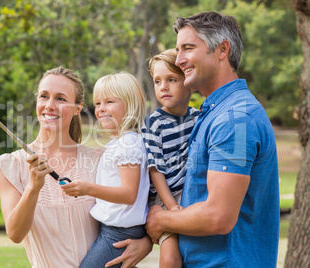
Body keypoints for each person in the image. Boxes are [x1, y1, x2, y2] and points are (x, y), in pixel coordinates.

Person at [145, 11, 280, 267]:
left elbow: (218, 216)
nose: (180, 59)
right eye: (178, 49)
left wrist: (160, 220)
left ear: (222, 50)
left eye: (188, 48)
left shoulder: (235, 119)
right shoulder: (213, 113)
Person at [0, 66, 152, 268]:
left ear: (77, 108)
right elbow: (14, 234)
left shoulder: (100, 159)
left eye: (61, 99)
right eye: (44, 96)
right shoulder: (10, 166)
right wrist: (33, 187)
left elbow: (143, 199)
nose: (50, 105)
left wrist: (147, 242)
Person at [62, 72, 150, 268]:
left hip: (119, 232)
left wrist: (87, 189)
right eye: (98, 103)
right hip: (113, 229)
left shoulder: (128, 143)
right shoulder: (121, 142)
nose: (101, 109)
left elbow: (129, 194)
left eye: (109, 102)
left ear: (130, 104)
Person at [141, 49, 199, 267]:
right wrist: (171, 206)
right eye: (157, 81)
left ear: (190, 82)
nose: (163, 86)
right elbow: (155, 170)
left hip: (193, 192)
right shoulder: (154, 123)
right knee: (170, 257)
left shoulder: (198, 117)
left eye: (171, 79)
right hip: (166, 196)